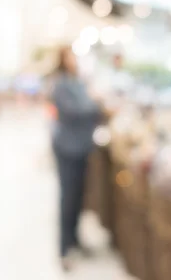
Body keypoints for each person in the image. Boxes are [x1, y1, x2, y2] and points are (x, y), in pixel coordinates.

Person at [50, 46, 103, 271]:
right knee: (67, 198)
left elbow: (90, 109)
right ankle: (64, 249)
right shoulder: (61, 85)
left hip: (81, 146)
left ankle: (74, 239)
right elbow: (78, 110)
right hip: (67, 148)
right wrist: (94, 103)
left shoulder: (77, 82)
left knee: (79, 196)